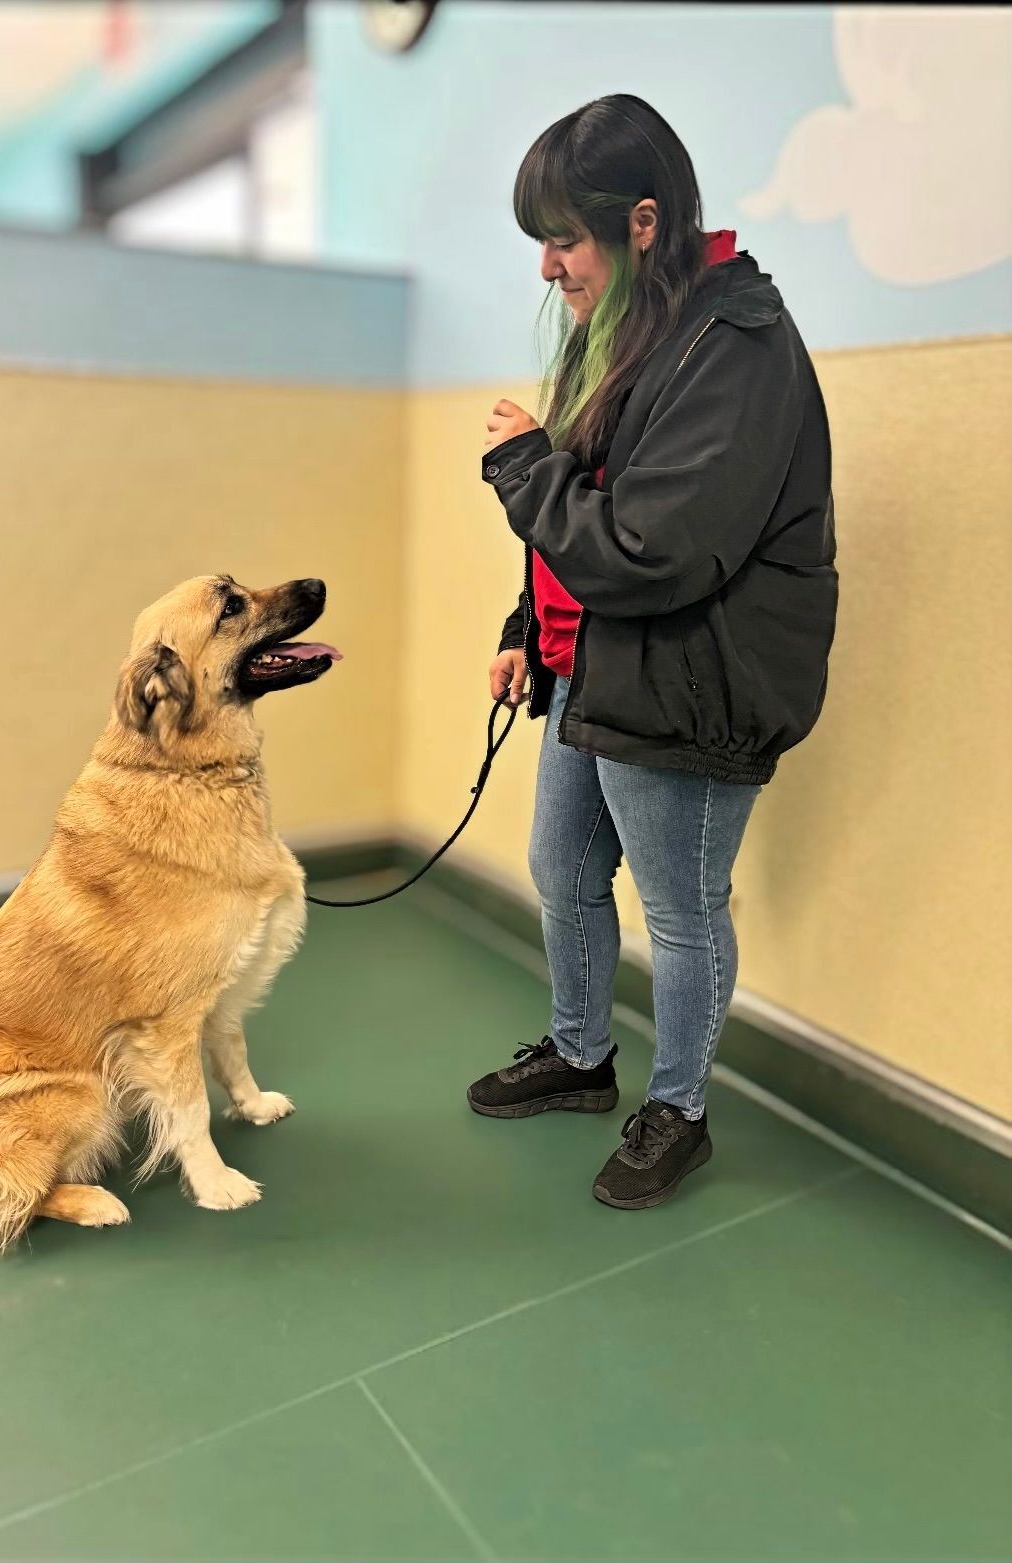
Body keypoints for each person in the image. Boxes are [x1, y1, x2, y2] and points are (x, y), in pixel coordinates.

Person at [467, 94, 837, 1210]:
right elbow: (590, 501)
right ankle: (581, 1056)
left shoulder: (736, 346)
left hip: (692, 672)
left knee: (682, 911)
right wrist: (527, 630)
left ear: (641, 222)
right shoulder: (622, 327)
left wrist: (522, 467)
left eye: (563, 239)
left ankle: (679, 1109)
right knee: (565, 867)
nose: (547, 269)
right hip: (597, 660)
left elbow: (651, 549)